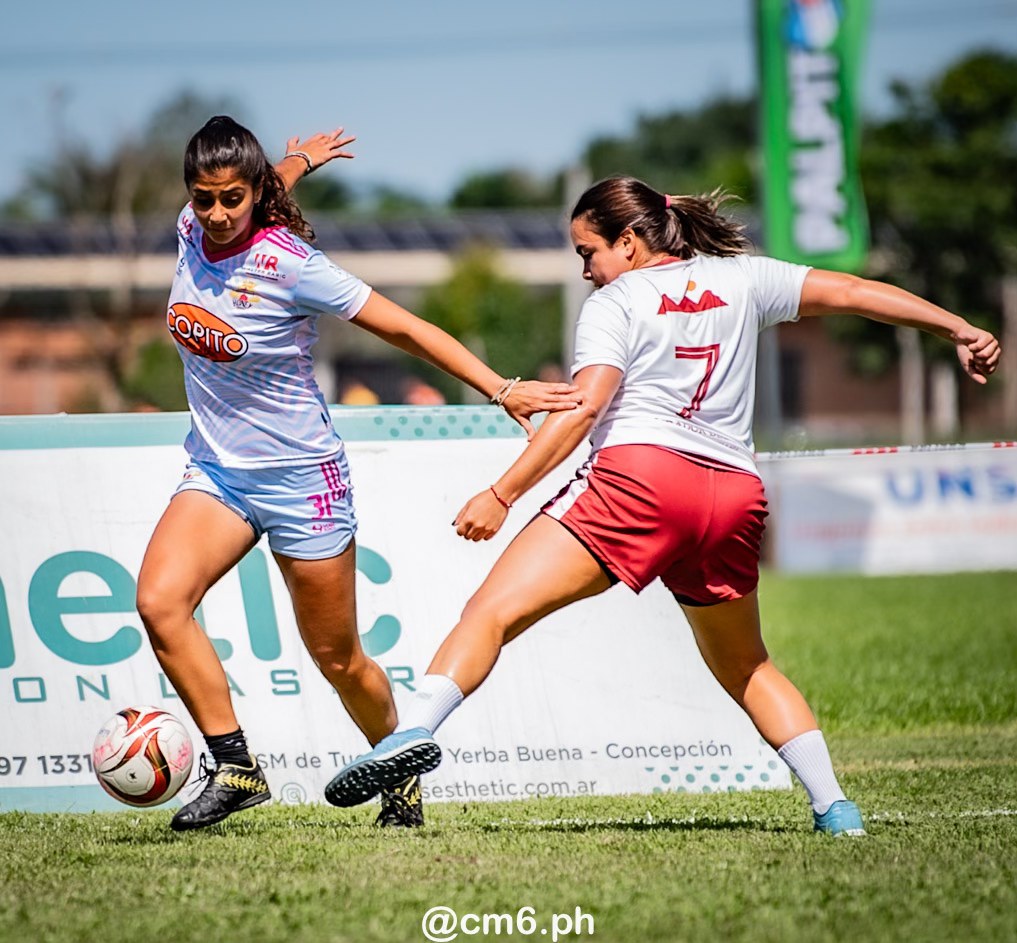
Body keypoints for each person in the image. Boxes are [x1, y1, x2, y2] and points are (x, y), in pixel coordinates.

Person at [323, 175, 1001, 836]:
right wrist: (958, 328)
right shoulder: (745, 278)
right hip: (731, 497)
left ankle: (412, 732)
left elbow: (584, 408)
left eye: (587, 252)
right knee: (748, 666)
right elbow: (853, 292)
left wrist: (502, 493)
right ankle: (836, 808)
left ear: (627, 242)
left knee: (490, 612)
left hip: (640, 483)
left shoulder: (615, 303)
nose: (585, 270)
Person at [135, 116, 582, 832]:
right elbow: (260, 184)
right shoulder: (191, 229)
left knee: (338, 659)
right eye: (203, 197)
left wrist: (500, 387)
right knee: (160, 603)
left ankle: (399, 776)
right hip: (217, 472)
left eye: (231, 199)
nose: (216, 214)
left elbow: (405, 327)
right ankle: (237, 768)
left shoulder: (289, 264)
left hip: (302, 482)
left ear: (254, 194)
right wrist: (300, 160)